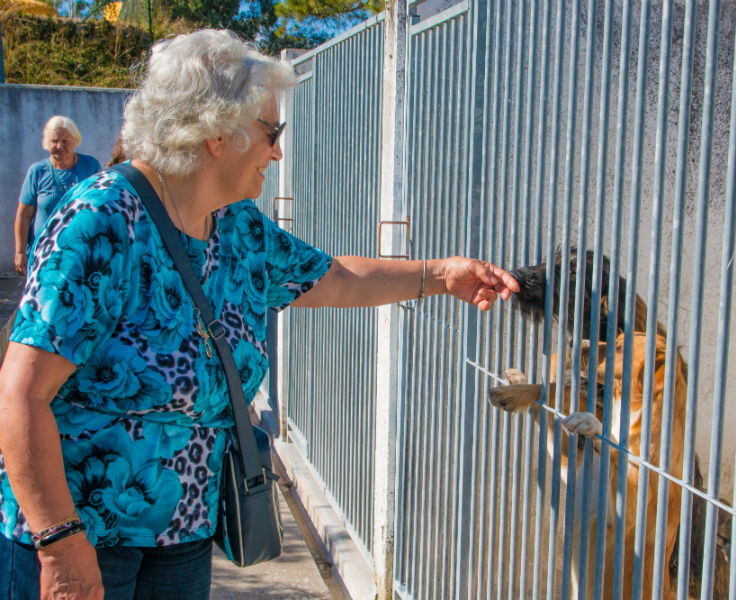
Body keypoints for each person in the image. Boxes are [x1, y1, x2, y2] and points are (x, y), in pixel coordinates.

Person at [0, 29, 519, 600]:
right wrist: (61, 544)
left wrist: (439, 276)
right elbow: (22, 393)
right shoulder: (102, 219)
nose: (277, 152)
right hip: (83, 542)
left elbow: (334, 278)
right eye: (273, 134)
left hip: (184, 535)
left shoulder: (236, 225)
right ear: (219, 131)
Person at [14, 116, 102, 277]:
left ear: (75, 141)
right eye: (54, 141)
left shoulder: (91, 166)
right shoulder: (37, 171)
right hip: (44, 255)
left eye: (65, 141)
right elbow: (24, 215)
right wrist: (20, 252)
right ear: (47, 142)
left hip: (81, 253)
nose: (59, 146)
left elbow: (100, 207)